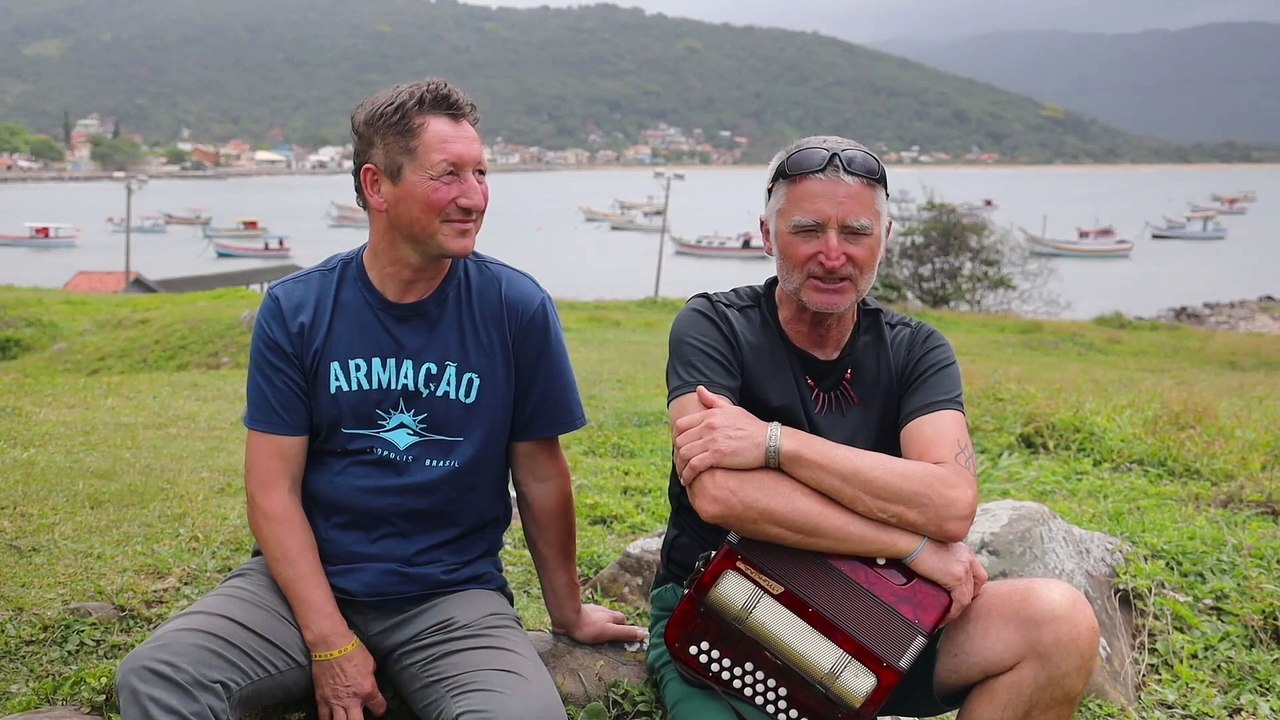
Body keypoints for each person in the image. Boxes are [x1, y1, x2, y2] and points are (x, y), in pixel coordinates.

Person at [115, 78, 646, 720]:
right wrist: (330, 641)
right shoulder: (299, 309)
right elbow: (272, 491)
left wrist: (567, 611)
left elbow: (540, 473)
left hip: (452, 597)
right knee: (157, 678)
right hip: (302, 587)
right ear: (376, 186)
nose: (473, 197)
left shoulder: (514, 307)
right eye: (447, 175)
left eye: (481, 173)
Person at [646, 135, 1100, 719]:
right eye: (808, 230)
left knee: (1056, 622)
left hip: (880, 613)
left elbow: (950, 504)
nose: (833, 255)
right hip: (731, 608)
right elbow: (723, 493)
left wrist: (773, 443)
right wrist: (908, 544)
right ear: (767, 235)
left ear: (884, 239)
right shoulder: (715, 326)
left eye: (856, 233)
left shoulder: (916, 350)